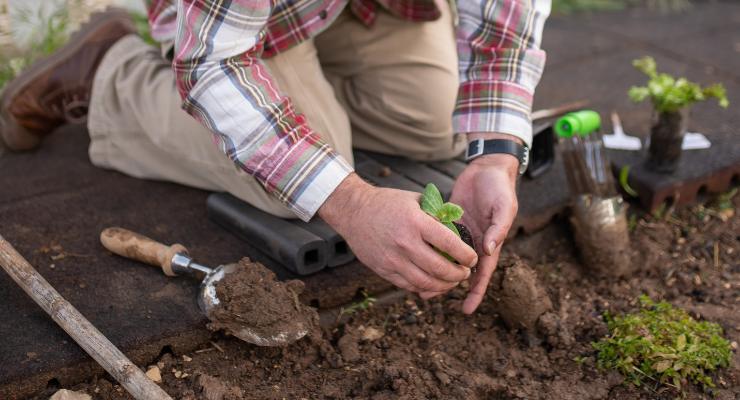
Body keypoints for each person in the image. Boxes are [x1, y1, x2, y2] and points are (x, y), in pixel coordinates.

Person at [0, 0, 550, 314]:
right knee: (296, 185)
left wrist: (495, 157)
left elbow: (506, 27)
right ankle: (111, 73)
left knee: (441, 124)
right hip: (225, 28)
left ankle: (308, 86)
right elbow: (213, 64)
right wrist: (350, 200)